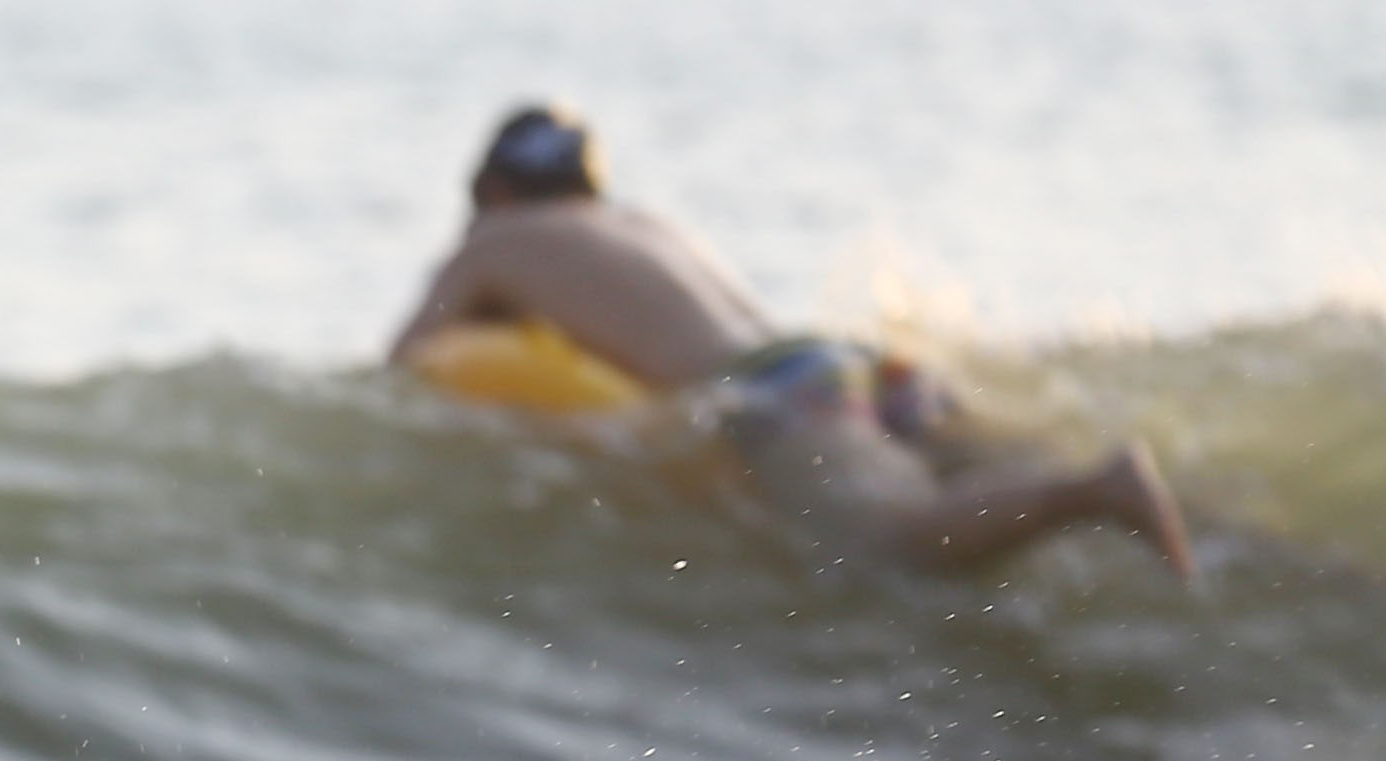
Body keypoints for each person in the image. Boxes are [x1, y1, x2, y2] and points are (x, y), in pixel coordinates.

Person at [389, 105, 1193, 579]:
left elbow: (401, 373)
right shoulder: (645, 225)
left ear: (491, 188)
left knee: (890, 547)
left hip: (776, 392)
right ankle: (1212, 532)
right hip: (853, 365)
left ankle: (1093, 492)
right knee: (1003, 460)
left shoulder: (490, 244)